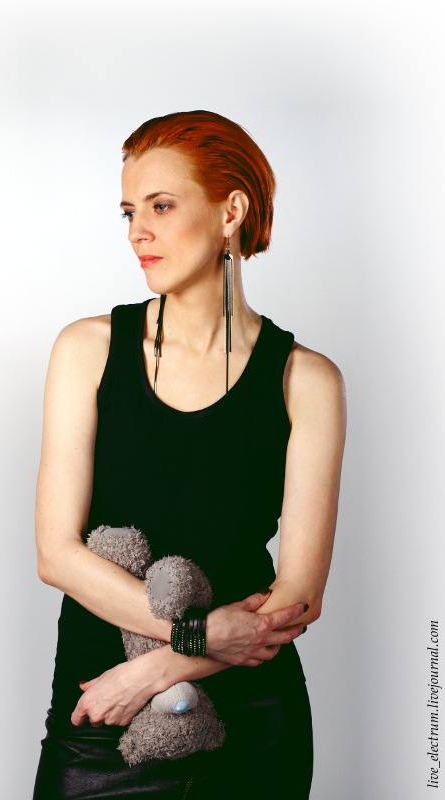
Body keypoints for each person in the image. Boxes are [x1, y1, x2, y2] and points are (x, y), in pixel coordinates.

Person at [32, 110, 346, 799]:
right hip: (101, 715)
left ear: (231, 212)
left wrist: (165, 662)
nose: (137, 231)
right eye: (129, 212)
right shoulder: (87, 351)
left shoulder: (307, 381)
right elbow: (57, 554)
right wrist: (202, 634)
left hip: (249, 720)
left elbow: (298, 596)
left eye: (161, 206)